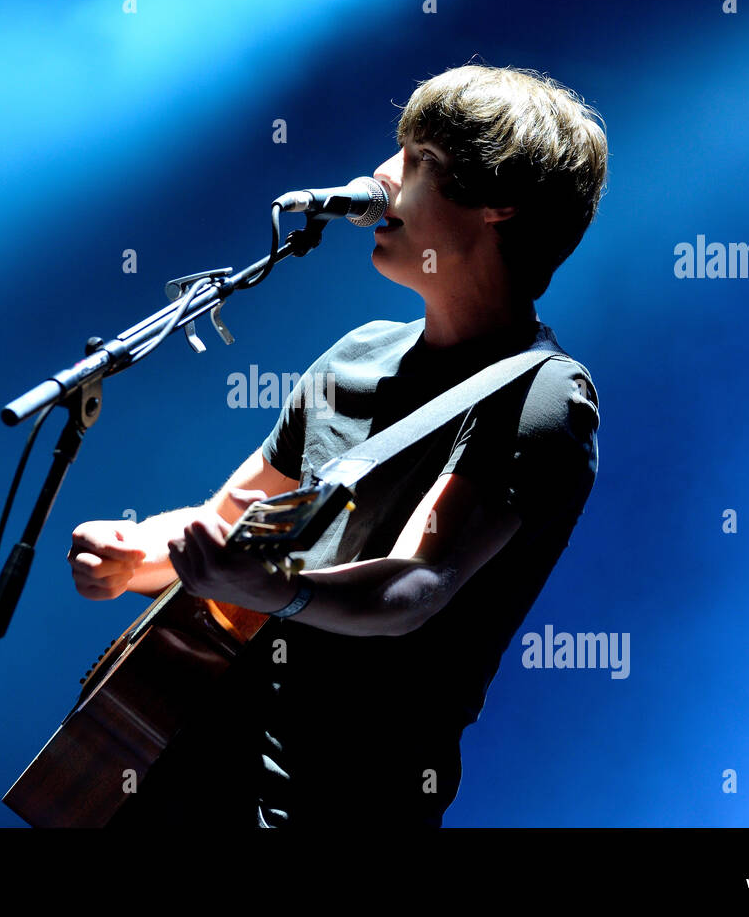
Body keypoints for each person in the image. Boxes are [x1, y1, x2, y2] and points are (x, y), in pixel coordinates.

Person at [68, 63, 608, 827]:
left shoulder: (544, 395)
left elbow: (418, 585)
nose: (382, 178)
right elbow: (228, 519)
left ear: (499, 204)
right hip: (189, 760)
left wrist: (274, 590)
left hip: (337, 798)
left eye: (421, 161)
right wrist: (137, 553)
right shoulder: (357, 354)